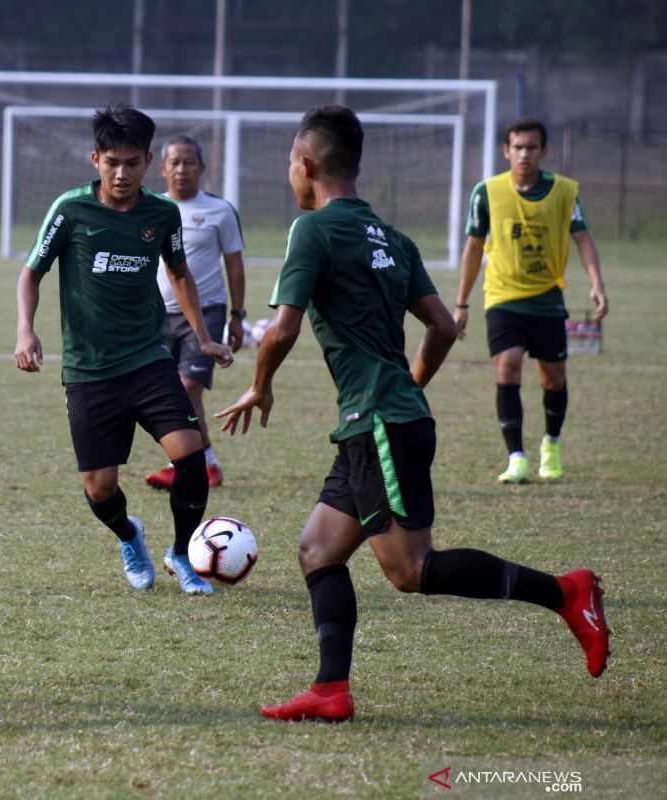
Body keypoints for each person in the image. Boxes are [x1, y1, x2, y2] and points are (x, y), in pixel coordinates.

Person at [217, 106, 609, 723]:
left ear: (307, 164)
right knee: (319, 551)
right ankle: (330, 689)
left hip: (378, 421)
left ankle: (567, 592)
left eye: (291, 163)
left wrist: (260, 385)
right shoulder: (393, 239)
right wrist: (409, 387)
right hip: (378, 419)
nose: (290, 174)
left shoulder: (312, 230)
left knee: (410, 569)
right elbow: (444, 327)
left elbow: (282, 328)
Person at [14, 104, 233, 595]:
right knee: (100, 488)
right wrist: (26, 330)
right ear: (95, 159)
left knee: (191, 456)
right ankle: (128, 534)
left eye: (132, 163)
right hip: (89, 371)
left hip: (148, 360)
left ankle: (181, 553)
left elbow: (178, 273)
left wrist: (201, 336)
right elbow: (32, 272)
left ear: (148, 161)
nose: (121, 172)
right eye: (112, 162)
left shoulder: (161, 213)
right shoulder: (70, 210)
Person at [454, 117, 608, 484]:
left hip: (546, 299)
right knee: (507, 366)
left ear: (544, 151)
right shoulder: (486, 192)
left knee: (553, 379)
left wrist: (597, 283)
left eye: (531, 148)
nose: (524, 154)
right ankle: (516, 457)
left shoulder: (565, 192)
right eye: (517, 148)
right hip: (503, 296)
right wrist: (461, 303)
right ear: (506, 151)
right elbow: (473, 248)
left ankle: (550, 444)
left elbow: (583, 237)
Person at [143, 134, 246, 491]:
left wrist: (238, 314)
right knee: (166, 394)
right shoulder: (149, 208)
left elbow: (234, 265)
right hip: (156, 316)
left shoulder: (220, 210)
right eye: (175, 162)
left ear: (202, 168)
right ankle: (208, 465)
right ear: (161, 168)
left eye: (189, 162)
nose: (182, 169)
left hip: (206, 312)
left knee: (188, 389)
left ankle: (180, 465)